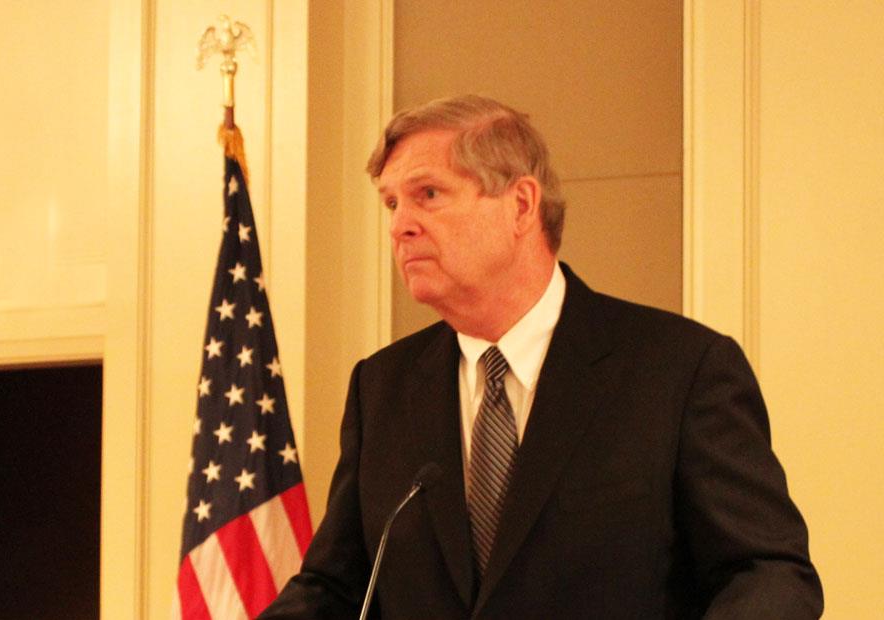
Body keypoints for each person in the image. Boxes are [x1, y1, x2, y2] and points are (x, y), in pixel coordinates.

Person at [260, 95, 822, 618]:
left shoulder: (679, 370)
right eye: (390, 202)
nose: (399, 225)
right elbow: (335, 587)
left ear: (521, 205)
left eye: (428, 194)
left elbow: (768, 573)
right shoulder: (381, 386)